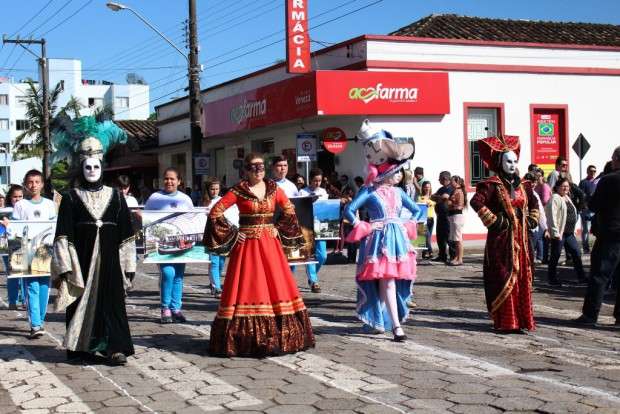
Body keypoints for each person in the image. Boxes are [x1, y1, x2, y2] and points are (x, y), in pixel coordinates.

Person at [204, 152, 315, 357]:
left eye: (261, 166)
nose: (259, 170)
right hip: (247, 247)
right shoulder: (238, 190)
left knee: (276, 284)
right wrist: (233, 233)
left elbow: (289, 209)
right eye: (254, 167)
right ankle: (245, 339)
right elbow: (215, 212)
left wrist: (278, 227)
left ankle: (279, 335)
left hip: (270, 245)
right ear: (245, 170)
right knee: (249, 284)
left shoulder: (274, 188)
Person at [52, 137, 136, 365]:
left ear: (102, 167)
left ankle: (115, 348)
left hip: (110, 261)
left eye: (96, 166)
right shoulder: (70, 197)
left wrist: (129, 266)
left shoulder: (116, 196)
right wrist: (64, 267)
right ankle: (82, 347)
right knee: (80, 302)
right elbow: (62, 235)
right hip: (82, 261)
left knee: (112, 303)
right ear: (81, 167)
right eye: (87, 166)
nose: (91, 170)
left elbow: (127, 234)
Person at [344, 122, 420, 341]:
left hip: (397, 241)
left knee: (391, 281)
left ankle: (386, 322)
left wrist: (405, 226)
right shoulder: (369, 191)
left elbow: (416, 211)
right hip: (378, 240)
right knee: (386, 281)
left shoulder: (398, 192)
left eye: (397, 172)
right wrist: (366, 226)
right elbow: (349, 211)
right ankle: (394, 326)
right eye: (394, 172)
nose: (397, 175)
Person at [470, 135, 540, 333]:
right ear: (500, 162)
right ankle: (507, 322)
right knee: (504, 276)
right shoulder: (491, 184)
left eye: (515, 161)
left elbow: (533, 203)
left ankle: (522, 320)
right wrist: (496, 221)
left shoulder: (524, 184)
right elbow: (476, 202)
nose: (512, 164)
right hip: (501, 241)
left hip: (522, 241)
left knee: (522, 278)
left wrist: (532, 219)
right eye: (508, 161)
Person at [573, 147, 620, 326]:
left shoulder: (608, 180)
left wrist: (586, 199)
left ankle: (590, 315)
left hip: (610, 233)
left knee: (599, 275)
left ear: (616, 159)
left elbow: (594, 205)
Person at [9, 170, 57, 339]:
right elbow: (14, 228)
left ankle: (40, 320)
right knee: (32, 287)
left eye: (37, 182)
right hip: (27, 248)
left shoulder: (50, 204)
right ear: (25, 184)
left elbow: (54, 227)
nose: (34, 185)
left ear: (42, 184)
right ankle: (35, 324)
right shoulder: (21, 205)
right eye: (30, 182)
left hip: (45, 250)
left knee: (44, 287)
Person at [145, 168, 194, 324]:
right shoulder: (154, 198)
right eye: (166, 178)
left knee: (179, 276)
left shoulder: (186, 199)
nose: (169, 182)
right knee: (168, 273)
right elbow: (146, 217)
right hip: (162, 243)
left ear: (179, 181)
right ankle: (165, 308)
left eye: (172, 179)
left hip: (181, 243)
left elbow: (192, 219)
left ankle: (176, 309)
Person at [545, 177, 587, 285]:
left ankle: (581, 277)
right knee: (556, 255)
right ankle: (552, 278)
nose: (566, 188)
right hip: (560, 233)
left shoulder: (567, 197)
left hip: (569, 233)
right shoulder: (555, 197)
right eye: (563, 186)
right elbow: (552, 216)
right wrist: (555, 232)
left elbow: (573, 211)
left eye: (567, 186)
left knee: (576, 253)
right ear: (558, 187)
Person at [298, 168, 329, 293]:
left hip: (320, 226)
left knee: (322, 255)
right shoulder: (302, 192)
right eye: (315, 181)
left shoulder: (323, 191)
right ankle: (314, 281)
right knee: (309, 254)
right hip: (306, 226)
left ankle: (312, 275)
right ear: (310, 180)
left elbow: (327, 208)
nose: (317, 183)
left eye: (319, 181)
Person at [3, 185, 25, 310]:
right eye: (15, 197)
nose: (17, 199)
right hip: (7, 247)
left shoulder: (27, 209)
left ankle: (24, 299)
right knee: (13, 274)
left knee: (24, 274)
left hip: (23, 246)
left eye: (20, 196)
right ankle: (12, 300)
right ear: (10, 198)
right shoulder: (5, 212)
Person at [203, 178, 226, 298]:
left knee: (221, 262)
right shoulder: (205, 202)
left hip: (222, 235)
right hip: (210, 235)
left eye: (217, 189)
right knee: (214, 262)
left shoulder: (223, 200)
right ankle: (217, 287)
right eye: (212, 189)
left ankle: (213, 283)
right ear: (208, 189)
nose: (215, 191)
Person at [524, 173, 548, 264]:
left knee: (533, 243)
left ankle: (532, 260)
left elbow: (540, 211)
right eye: (531, 182)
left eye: (535, 182)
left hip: (533, 224)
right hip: (524, 223)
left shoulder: (534, 194)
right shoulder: (521, 192)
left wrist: (545, 227)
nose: (533, 184)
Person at [431, 171, 454, 263]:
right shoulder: (441, 189)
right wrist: (439, 197)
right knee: (440, 237)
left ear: (445, 179)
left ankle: (453, 255)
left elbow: (445, 197)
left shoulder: (450, 188)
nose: (438, 180)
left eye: (440, 178)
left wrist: (439, 198)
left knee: (448, 236)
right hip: (440, 215)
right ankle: (442, 255)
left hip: (447, 216)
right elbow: (432, 197)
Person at [447, 175, 466, 266]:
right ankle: (456, 257)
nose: (450, 183)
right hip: (454, 216)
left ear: (456, 182)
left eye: (452, 181)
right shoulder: (456, 190)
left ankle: (460, 258)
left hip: (456, 216)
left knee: (458, 239)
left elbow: (449, 202)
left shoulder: (457, 191)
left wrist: (445, 198)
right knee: (455, 239)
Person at [578, 165, 597, 253]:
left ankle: (597, 247)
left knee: (597, 228)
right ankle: (586, 247)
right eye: (591, 171)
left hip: (596, 210)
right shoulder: (583, 182)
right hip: (586, 209)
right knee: (585, 229)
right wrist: (583, 205)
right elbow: (580, 195)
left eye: (594, 171)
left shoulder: (598, 182)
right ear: (587, 171)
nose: (593, 173)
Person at [418, 181, 436, 259]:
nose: (427, 188)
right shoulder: (420, 197)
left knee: (428, 237)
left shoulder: (433, 197)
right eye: (425, 187)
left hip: (431, 219)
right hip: (423, 219)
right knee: (426, 236)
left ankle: (424, 252)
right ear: (423, 188)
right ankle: (430, 251)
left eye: (428, 187)